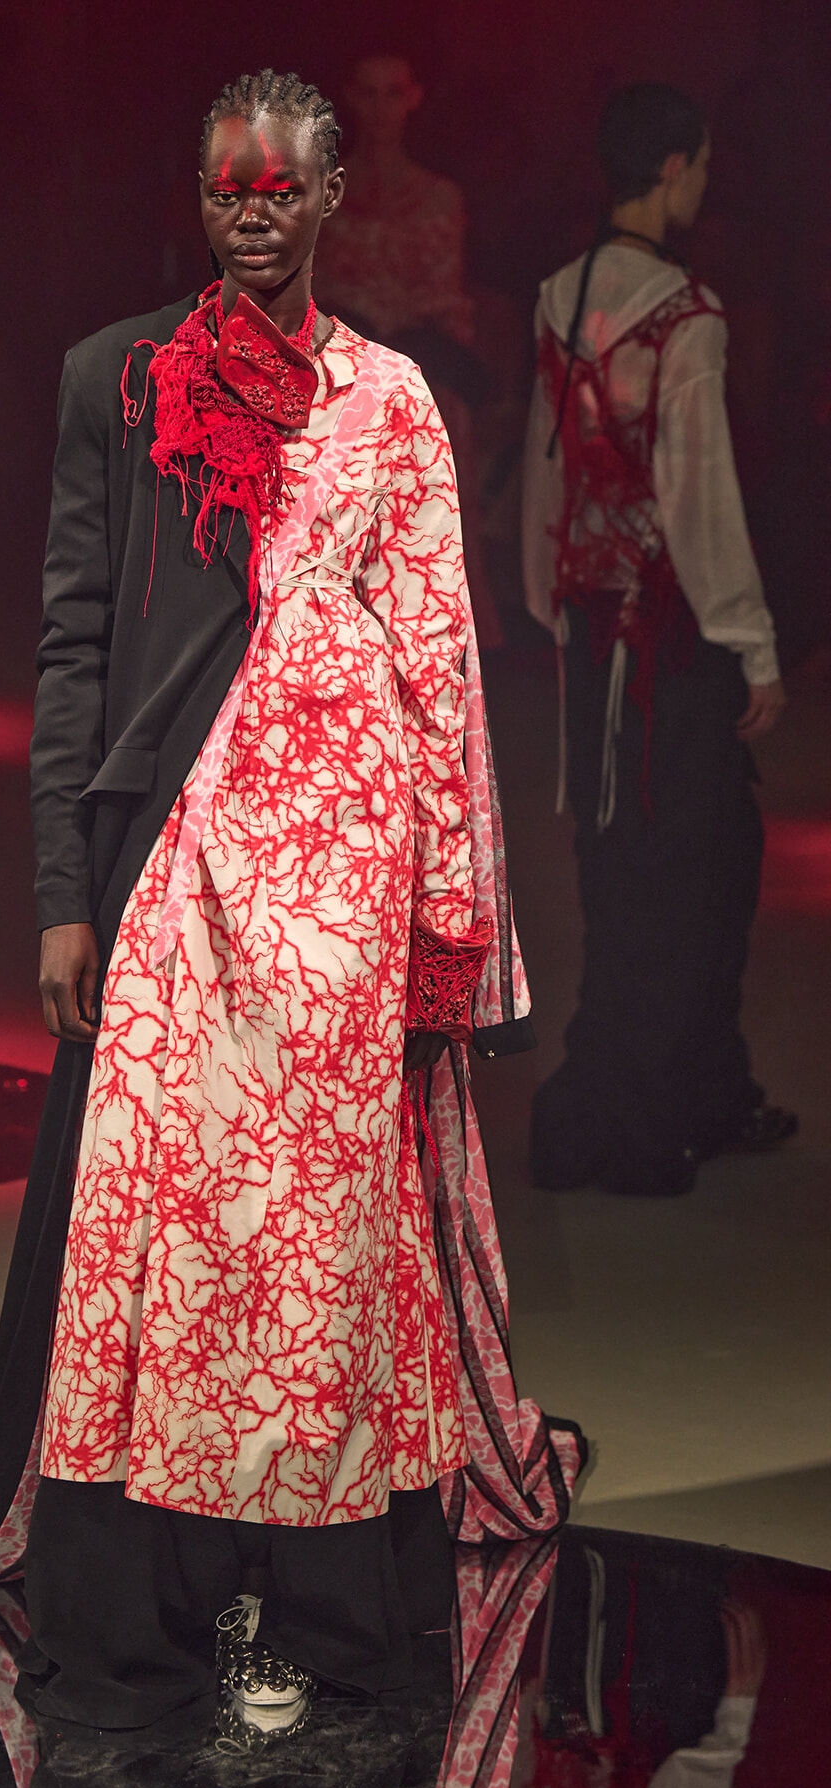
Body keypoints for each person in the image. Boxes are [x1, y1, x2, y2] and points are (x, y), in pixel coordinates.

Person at [0, 71, 580, 1736]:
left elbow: (444, 658)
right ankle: (155, 1607)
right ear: (197, 194)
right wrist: (62, 893)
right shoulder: (119, 380)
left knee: (331, 1249)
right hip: (182, 873)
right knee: (168, 1245)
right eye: (231, 186)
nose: (256, 210)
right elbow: (70, 642)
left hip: (351, 885)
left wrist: (456, 914)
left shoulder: (396, 400)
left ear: (332, 194)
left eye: (285, 186)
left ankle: (328, 1608)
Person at [522, 84, 796, 1198]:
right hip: (670, 638)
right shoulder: (688, 314)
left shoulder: (559, 293)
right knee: (689, 871)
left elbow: (549, 459)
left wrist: (545, 597)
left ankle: (685, 1090)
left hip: (593, 625)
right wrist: (757, 646)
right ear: (677, 167)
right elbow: (699, 497)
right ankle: (641, 1107)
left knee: (633, 860)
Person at [316, 52, 505, 648]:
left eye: (391, 93)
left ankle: (441, 642)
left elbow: (441, 297)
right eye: (367, 94)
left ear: (413, 98)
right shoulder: (323, 191)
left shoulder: (438, 195)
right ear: (350, 98)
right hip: (341, 373)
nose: (379, 109)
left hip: (420, 372)